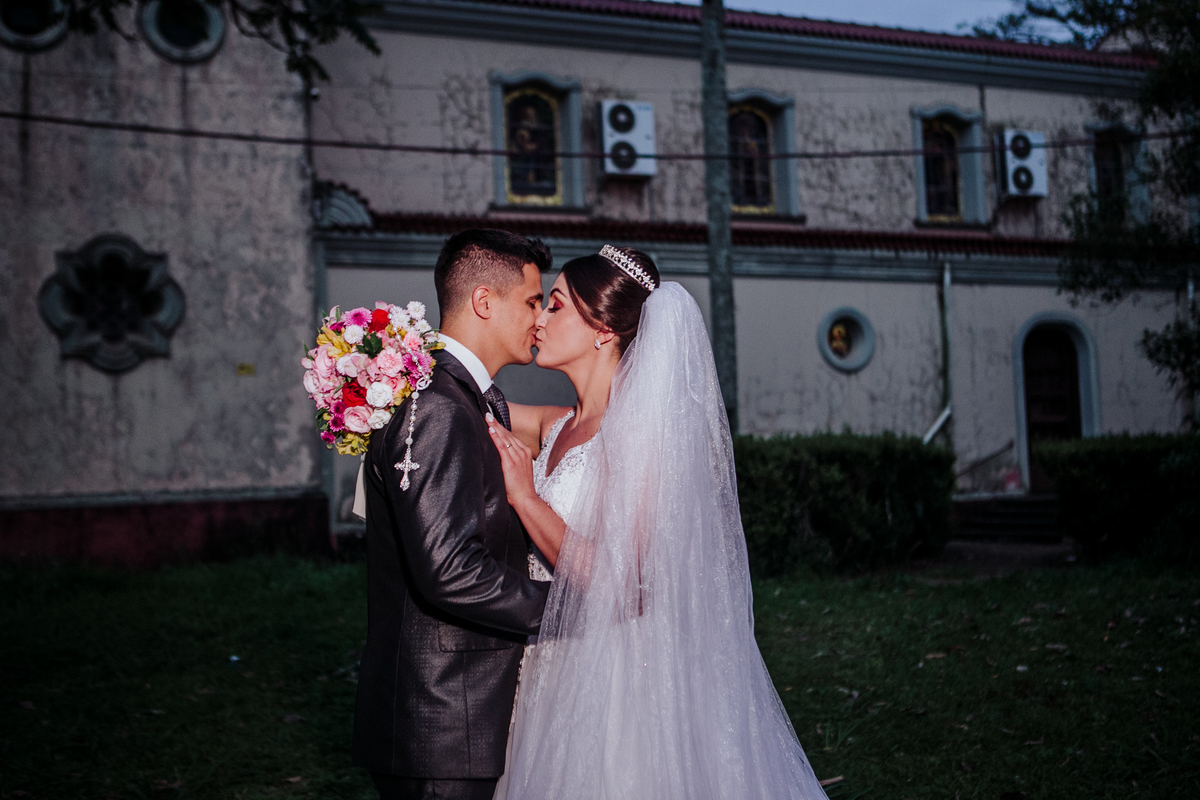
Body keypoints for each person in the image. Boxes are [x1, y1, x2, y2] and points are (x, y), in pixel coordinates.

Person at [487, 245, 830, 799]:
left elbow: (627, 585)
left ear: (602, 330)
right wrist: (387, 358)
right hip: (545, 660)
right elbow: (471, 406)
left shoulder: (638, 440)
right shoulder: (556, 425)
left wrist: (527, 500)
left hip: (613, 677)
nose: (538, 320)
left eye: (555, 305)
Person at [353, 229, 554, 800]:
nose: (539, 319)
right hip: (441, 720)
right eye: (532, 301)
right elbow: (450, 571)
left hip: (451, 716)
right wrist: (571, 607)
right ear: (484, 301)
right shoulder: (440, 406)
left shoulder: (457, 395)